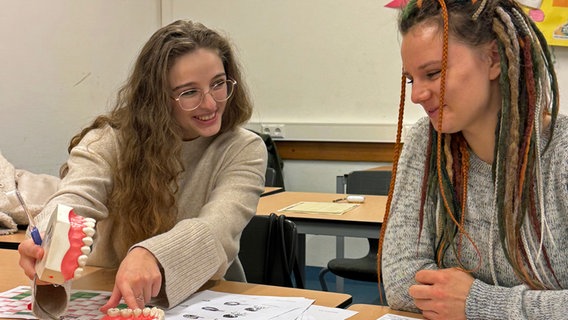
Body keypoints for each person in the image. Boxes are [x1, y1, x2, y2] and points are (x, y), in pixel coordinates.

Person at [17, 19, 267, 318]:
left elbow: (217, 227)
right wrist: (47, 238)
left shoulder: (243, 148)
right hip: (107, 295)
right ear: (158, 98)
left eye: (218, 83)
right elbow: (75, 199)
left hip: (207, 299)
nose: (210, 103)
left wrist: (150, 255)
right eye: (189, 92)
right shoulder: (107, 141)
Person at [379, 0, 568, 319]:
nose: (416, 95)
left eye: (433, 73)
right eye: (412, 79)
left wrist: (479, 303)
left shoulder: (561, 153)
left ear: (493, 59)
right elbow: (400, 279)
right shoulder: (425, 142)